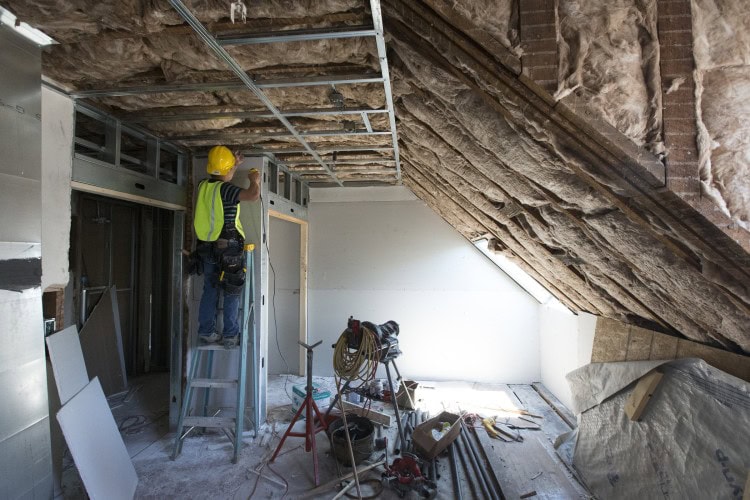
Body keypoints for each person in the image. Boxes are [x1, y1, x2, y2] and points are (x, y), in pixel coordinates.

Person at [193, 145, 260, 348]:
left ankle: (206, 331)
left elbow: (221, 176)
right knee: (232, 289)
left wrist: (233, 164)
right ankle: (230, 335)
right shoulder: (227, 190)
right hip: (228, 248)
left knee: (210, 288)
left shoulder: (203, 185)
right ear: (229, 170)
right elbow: (253, 195)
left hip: (207, 247)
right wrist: (254, 180)